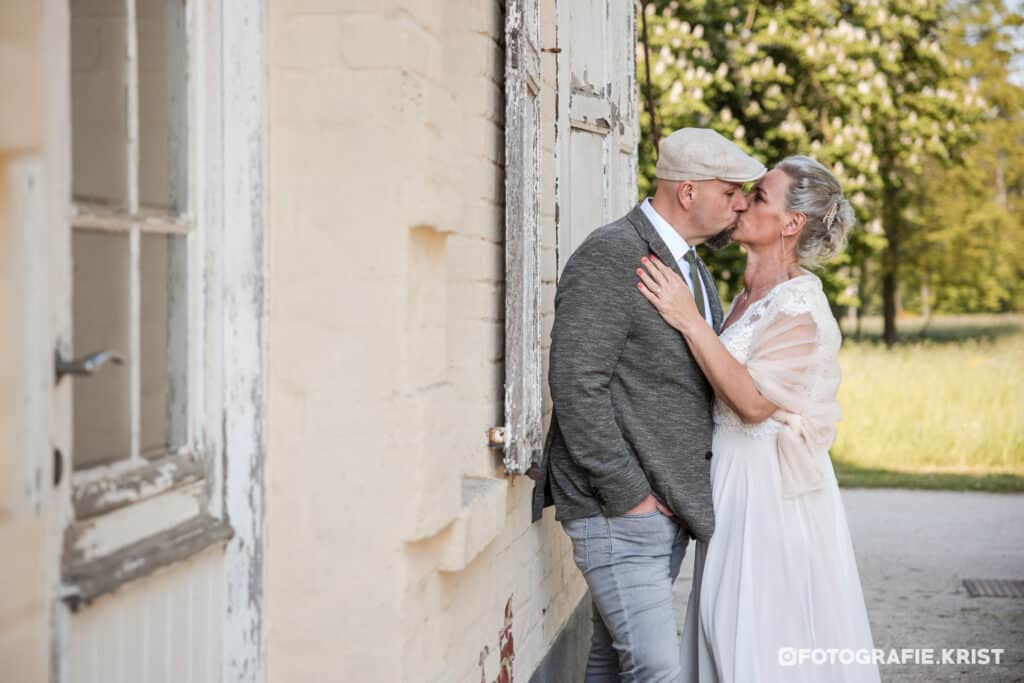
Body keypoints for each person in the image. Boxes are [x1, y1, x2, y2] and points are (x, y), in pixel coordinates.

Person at [531, 128, 766, 681]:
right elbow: (574, 382)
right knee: (658, 669)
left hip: (662, 506)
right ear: (689, 192)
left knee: (612, 662)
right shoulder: (613, 254)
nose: (740, 203)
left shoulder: (689, 266)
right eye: (731, 190)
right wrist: (628, 493)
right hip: (620, 510)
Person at [637, 156, 881, 682]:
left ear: (791, 224)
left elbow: (750, 403)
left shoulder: (800, 307)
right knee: (718, 624)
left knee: (757, 631)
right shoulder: (746, 297)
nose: (743, 201)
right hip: (729, 483)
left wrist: (686, 319)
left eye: (761, 196)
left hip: (768, 494)